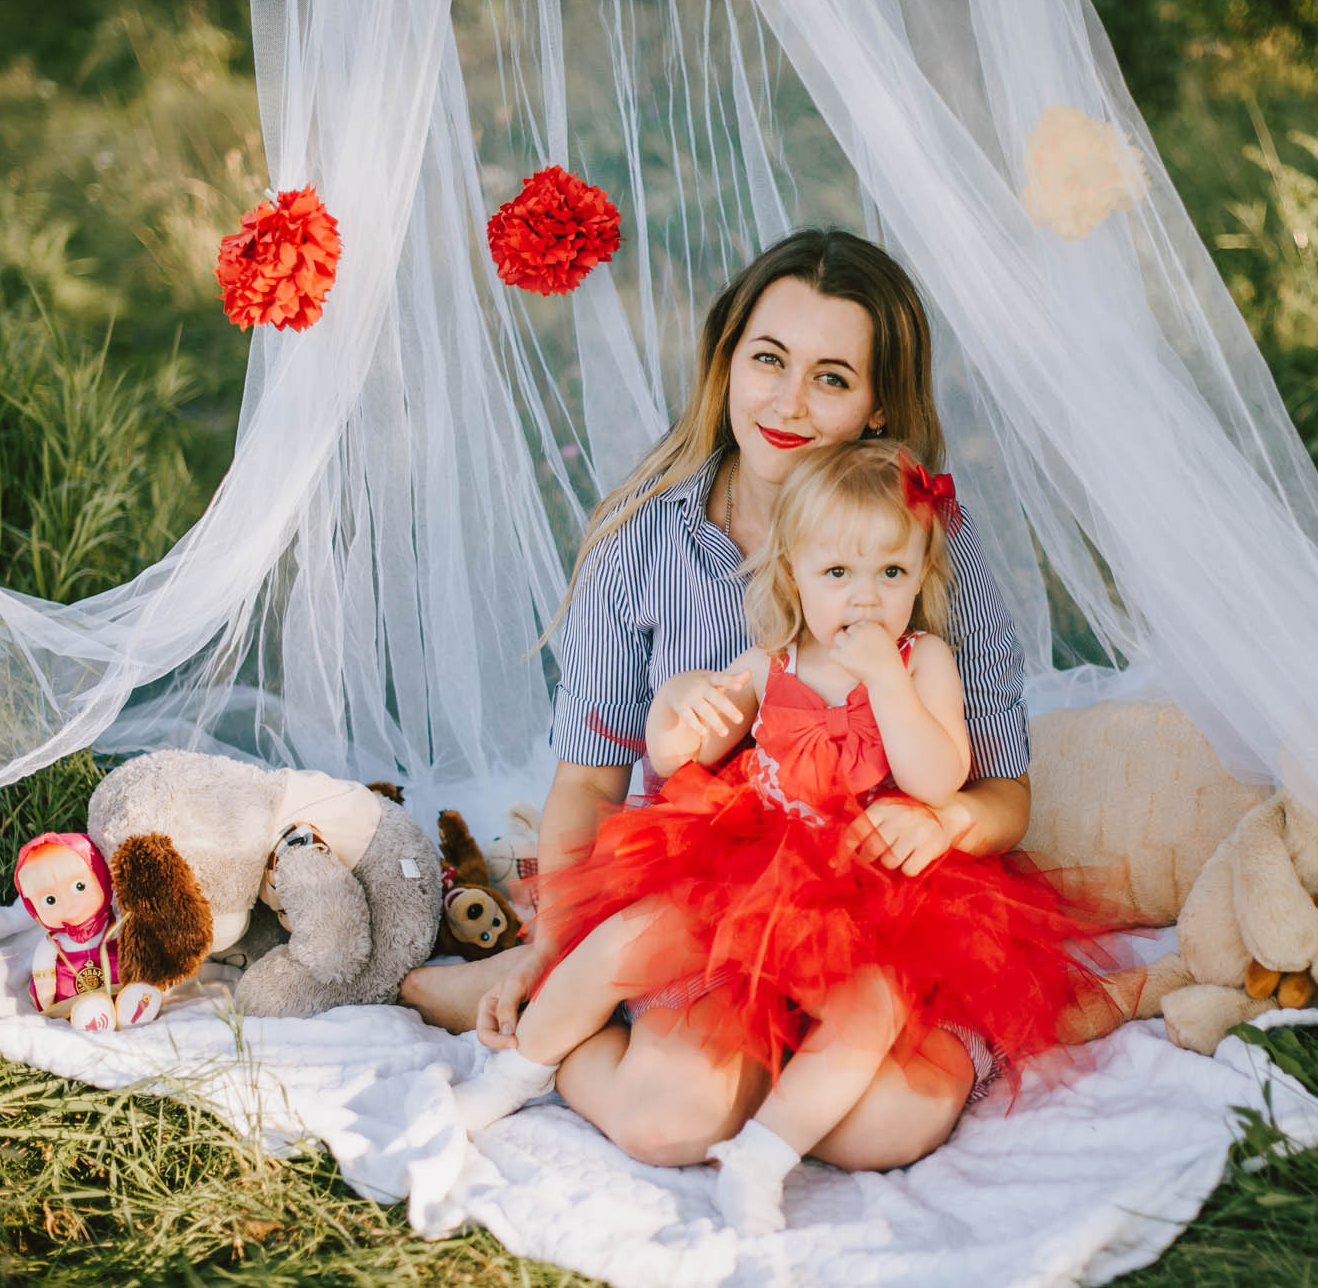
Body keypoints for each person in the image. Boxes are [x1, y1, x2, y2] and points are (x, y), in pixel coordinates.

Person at [400, 228, 1038, 1172]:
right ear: (727, 359)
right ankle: (537, 998)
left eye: (832, 377)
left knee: (883, 1129)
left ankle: (786, 1074)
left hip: (883, 902)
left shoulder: (922, 538)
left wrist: (946, 821)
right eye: (768, 359)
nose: (787, 401)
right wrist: (559, 950)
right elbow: (589, 783)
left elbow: (1007, 797)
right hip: (712, 889)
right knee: (672, 1118)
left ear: (873, 406)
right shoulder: (645, 541)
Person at [445, 441, 1113, 1232]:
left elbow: (939, 777)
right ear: (795, 575)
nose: (865, 598)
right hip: (753, 861)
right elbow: (674, 749)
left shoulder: (922, 658)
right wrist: (681, 708)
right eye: (839, 574)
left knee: (867, 1012)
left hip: (874, 892)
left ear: (921, 576)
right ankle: (517, 1070)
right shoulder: (775, 659)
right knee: (629, 939)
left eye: (890, 574)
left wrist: (889, 681)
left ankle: (762, 1154)